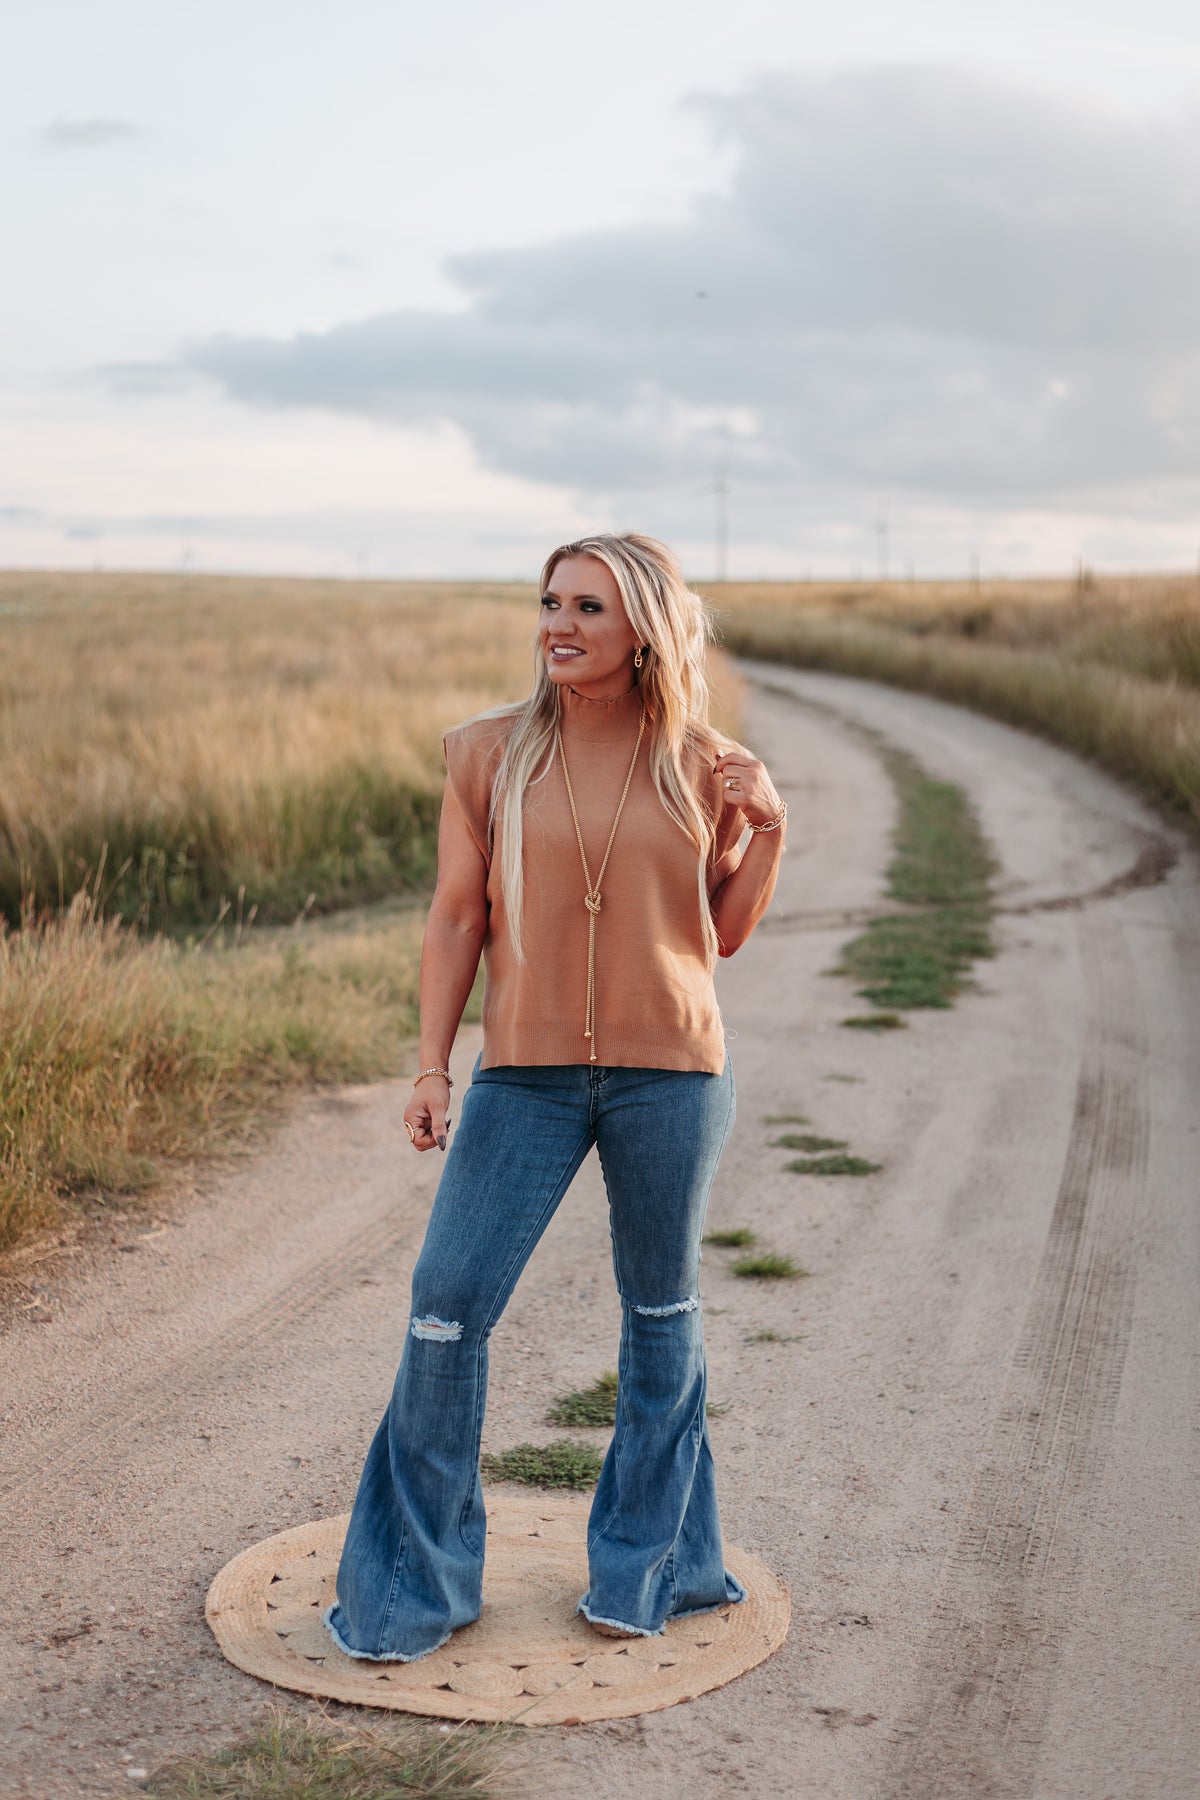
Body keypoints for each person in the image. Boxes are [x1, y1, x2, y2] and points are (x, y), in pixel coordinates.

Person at [324, 532, 787, 1662]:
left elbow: (723, 930)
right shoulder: (486, 753)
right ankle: (415, 1586)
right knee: (446, 1304)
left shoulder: (705, 763)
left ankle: (650, 1571)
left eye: (588, 607)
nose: (559, 626)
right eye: (550, 603)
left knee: (660, 1315)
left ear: (644, 631)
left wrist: (767, 825)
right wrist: (433, 1065)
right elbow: (457, 916)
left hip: (671, 1073)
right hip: (523, 1076)